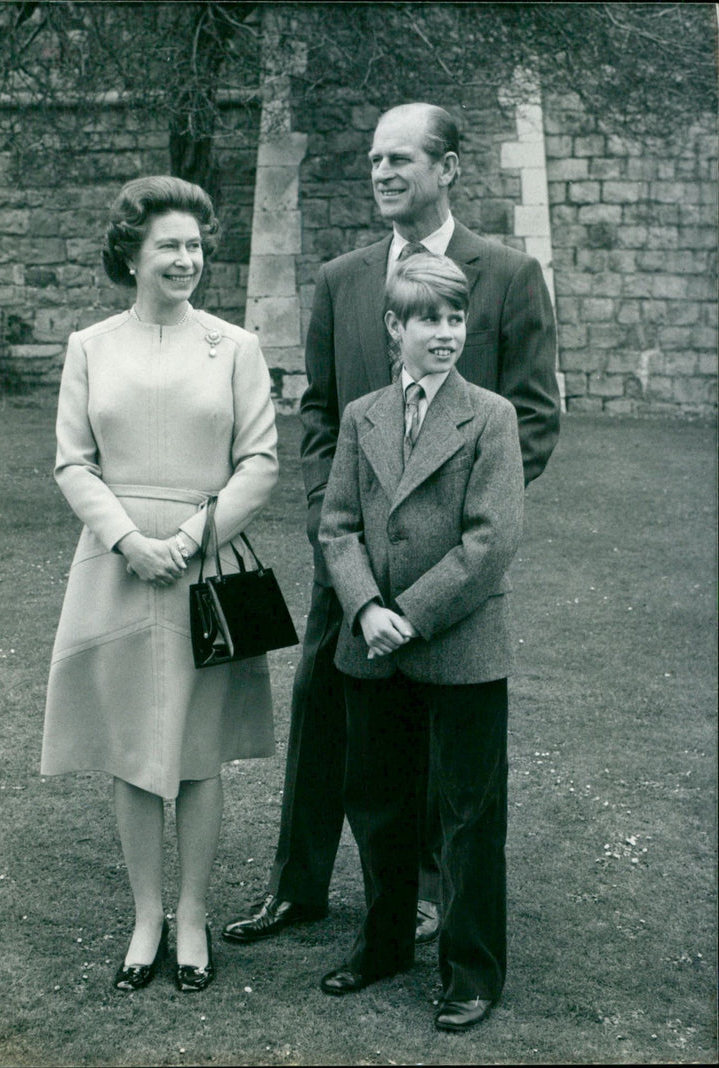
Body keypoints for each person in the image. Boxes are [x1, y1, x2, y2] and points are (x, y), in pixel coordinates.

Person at [223, 101, 559, 947]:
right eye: (375, 159)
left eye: (401, 158)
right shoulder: (343, 280)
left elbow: (533, 420)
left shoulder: (509, 276)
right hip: (351, 566)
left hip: (449, 573)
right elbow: (320, 415)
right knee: (321, 714)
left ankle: (427, 894)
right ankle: (296, 887)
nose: (381, 173)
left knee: (442, 743)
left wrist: (457, 530)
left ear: (449, 167)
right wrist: (333, 536)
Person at [40, 176, 279, 994]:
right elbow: (74, 460)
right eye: (169, 245)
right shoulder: (90, 346)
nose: (187, 259)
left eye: (195, 245)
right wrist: (127, 541)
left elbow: (260, 463)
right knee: (130, 747)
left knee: (197, 752)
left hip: (200, 568)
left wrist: (184, 538)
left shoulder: (234, 346)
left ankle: (195, 915)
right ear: (132, 256)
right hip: (114, 567)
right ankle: (147, 916)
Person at [317, 252, 524, 1032]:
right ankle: (384, 944)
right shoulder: (362, 414)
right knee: (378, 804)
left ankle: (471, 969)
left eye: (455, 318)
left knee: (467, 814)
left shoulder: (491, 417)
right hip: (374, 646)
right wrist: (367, 608)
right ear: (394, 327)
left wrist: (409, 610)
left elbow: (490, 539)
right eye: (427, 319)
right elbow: (337, 523)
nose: (445, 334)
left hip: (459, 645)